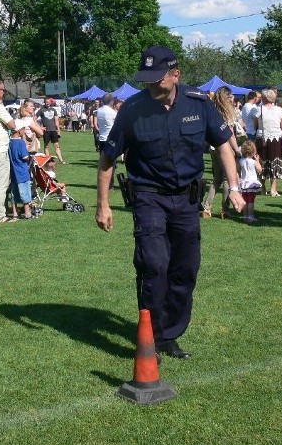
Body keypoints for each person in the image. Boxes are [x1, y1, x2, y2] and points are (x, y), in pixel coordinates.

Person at [96, 45, 245, 361]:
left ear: (175, 75)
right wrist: (103, 204)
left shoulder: (198, 104)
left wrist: (234, 187)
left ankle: (168, 334)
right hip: (148, 196)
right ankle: (150, 335)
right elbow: (108, 157)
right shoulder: (133, 109)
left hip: (187, 200)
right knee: (154, 264)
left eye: (157, 80)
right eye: (146, 80)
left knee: (185, 268)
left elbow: (222, 147)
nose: (150, 86)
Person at [0, 79, 41, 223]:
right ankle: (0, 215)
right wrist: (26, 122)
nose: (4, 93)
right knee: (1, 184)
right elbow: (12, 124)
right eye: (4, 90)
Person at [202, 86, 241, 218]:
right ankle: (225, 210)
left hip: (213, 148)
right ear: (228, 97)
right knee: (226, 180)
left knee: (216, 179)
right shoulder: (227, 111)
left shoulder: (212, 109)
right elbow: (230, 134)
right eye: (231, 96)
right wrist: (236, 149)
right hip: (225, 148)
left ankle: (207, 208)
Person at [258, 88, 282, 197]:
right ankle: (273, 189)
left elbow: (256, 125)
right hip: (276, 138)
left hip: (262, 138)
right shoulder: (279, 110)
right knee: (275, 162)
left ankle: (262, 187)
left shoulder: (258, 109)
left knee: (262, 162)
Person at [238, 139, 263, 223]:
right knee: (251, 201)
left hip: (244, 183)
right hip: (251, 183)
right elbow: (260, 170)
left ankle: (245, 216)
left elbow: (237, 170)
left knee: (244, 200)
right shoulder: (253, 162)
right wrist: (257, 161)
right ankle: (251, 216)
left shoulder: (241, 161)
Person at [37, 98, 67, 164]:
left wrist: (58, 130)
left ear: (50, 102)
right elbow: (34, 118)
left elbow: (56, 121)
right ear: (44, 102)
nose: (47, 103)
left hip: (53, 130)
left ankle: (61, 160)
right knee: (47, 145)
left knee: (57, 145)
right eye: (46, 102)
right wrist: (40, 127)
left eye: (48, 102)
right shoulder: (41, 110)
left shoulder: (53, 110)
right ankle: (47, 161)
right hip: (46, 131)